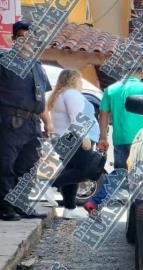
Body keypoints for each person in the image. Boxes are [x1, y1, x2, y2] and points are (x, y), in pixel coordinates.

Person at [0, 20, 53, 221]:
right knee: (6, 165)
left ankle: (20, 204)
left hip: (33, 124)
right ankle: (5, 207)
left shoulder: (38, 67)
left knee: (29, 166)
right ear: (14, 39)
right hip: (8, 121)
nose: (27, 42)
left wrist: (47, 122)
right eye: (22, 38)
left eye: (31, 39)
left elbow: (42, 98)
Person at [85, 66, 143, 213]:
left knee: (120, 172)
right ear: (141, 73)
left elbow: (103, 115)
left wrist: (103, 138)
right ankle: (139, 211)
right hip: (141, 139)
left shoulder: (111, 89)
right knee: (140, 175)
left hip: (120, 139)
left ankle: (95, 203)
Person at [45, 69, 99, 219]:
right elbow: (77, 118)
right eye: (80, 80)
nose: (81, 83)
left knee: (71, 170)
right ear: (73, 80)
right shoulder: (72, 94)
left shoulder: (60, 94)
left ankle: (69, 209)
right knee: (85, 170)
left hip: (64, 139)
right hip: (73, 139)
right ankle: (49, 185)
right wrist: (85, 137)